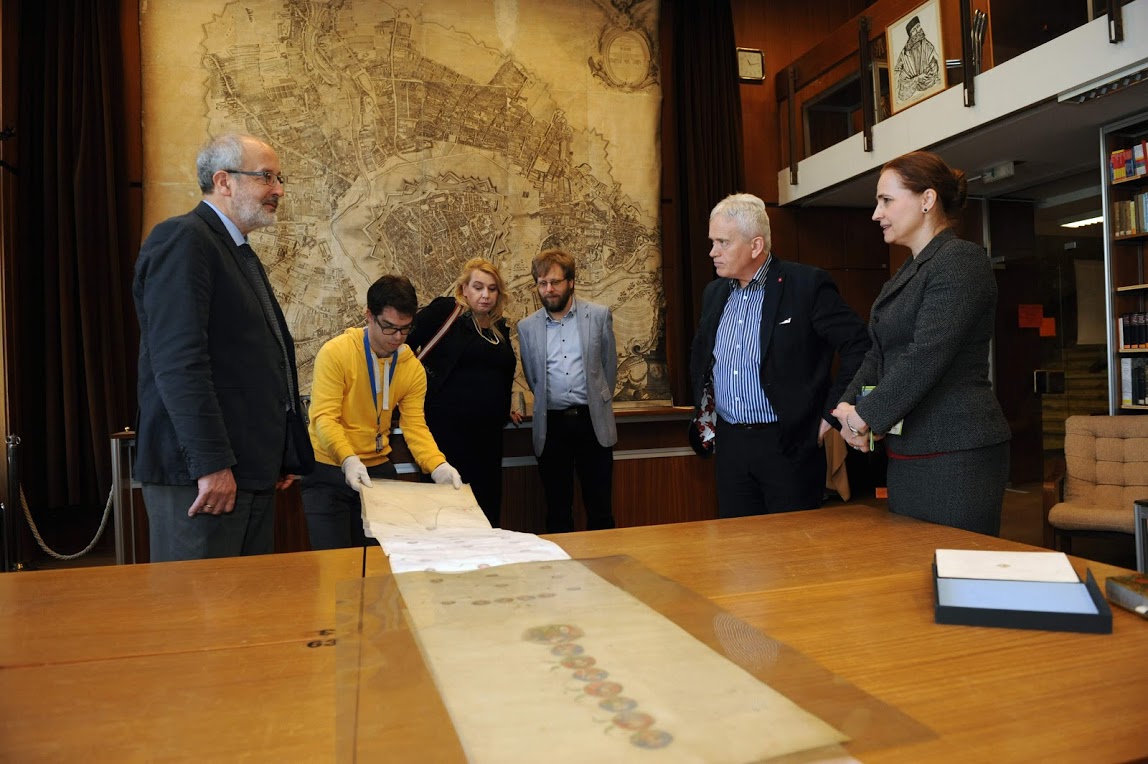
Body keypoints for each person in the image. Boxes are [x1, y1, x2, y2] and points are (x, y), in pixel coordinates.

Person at [133, 133, 310, 562]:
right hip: (203, 478)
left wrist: (279, 455)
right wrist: (211, 464)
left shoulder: (234, 251)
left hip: (248, 473)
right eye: (266, 177)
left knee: (246, 603)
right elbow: (179, 364)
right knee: (198, 603)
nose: (278, 190)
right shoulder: (184, 239)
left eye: (279, 178)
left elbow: (252, 363)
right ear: (224, 181)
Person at [832, 151, 1011, 535]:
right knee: (911, 562)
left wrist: (864, 418)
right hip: (908, 449)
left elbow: (926, 355)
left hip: (957, 451)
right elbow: (878, 353)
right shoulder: (907, 272)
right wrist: (846, 408)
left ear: (927, 199)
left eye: (886, 200)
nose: (876, 214)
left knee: (956, 563)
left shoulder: (961, 260)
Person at [689, 193, 870, 519]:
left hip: (787, 444)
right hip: (730, 445)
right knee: (737, 542)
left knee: (792, 544)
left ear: (755, 246)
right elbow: (703, 360)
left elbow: (859, 346)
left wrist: (831, 414)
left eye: (723, 242)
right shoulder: (714, 293)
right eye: (712, 242)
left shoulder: (806, 285)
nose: (713, 252)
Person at [303, 275, 463, 550]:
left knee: (382, 559)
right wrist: (347, 459)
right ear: (369, 316)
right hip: (328, 470)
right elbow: (324, 418)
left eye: (405, 329)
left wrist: (438, 465)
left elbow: (415, 427)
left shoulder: (411, 368)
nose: (398, 337)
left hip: (378, 471)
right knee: (335, 563)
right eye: (389, 327)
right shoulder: (336, 353)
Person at [408, 258, 521, 527]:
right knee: (447, 515)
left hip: (488, 439)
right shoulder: (446, 313)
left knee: (485, 512)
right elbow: (404, 344)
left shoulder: (499, 328)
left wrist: (505, 403)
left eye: (492, 289)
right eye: (478, 287)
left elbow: (499, 372)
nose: (485, 295)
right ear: (464, 289)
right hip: (447, 436)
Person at [518, 249, 618, 533]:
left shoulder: (598, 316)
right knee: (558, 511)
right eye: (542, 283)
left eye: (555, 282)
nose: (549, 289)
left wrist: (597, 402)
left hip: (592, 423)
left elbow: (608, 368)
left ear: (571, 282)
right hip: (552, 426)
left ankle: (606, 560)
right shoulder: (527, 327)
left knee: (600, 509)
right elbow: (533, 377)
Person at [894, 15, 941, 102]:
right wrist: (917, 79)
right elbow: (898, 76)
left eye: (918, 27)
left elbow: (936, 64)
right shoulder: (904, 54)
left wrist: (931, 71)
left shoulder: (928, 46)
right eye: (913, 30)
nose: (917, 31)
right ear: (910, 35)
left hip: (931, 87)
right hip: (911, 92)